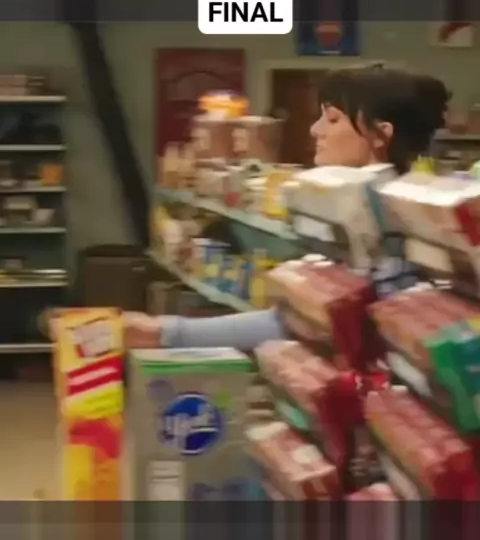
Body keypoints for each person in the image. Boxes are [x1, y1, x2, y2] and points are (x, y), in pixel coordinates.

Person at [123, 66, 450, 350]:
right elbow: (302, 321)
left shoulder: (401, 226)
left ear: (380, 134)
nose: (315, 130)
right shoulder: (352, 210)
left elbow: (361, 333)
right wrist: (166, 332)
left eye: (332, 119)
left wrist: (170, 333)